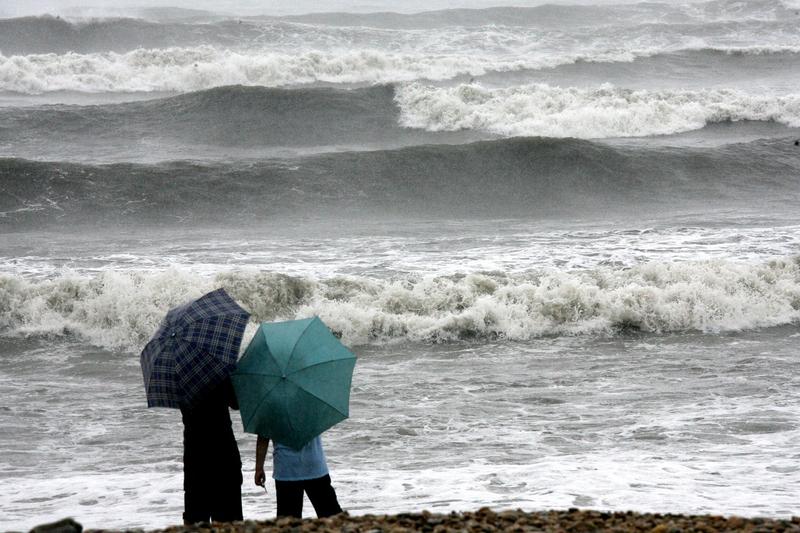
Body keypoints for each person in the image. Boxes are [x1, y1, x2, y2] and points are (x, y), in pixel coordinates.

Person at [180, 378, 243, 524]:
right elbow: (236, 403)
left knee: (196, 519)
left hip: (195, 457)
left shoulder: (180, 377)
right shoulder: (218, 374)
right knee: (229, 519)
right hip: (223, 455)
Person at [254, 434, 343, 518]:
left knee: (289, 522)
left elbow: (263, 436)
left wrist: (259, 468)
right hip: (314, 465)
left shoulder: (271, 417)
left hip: (287, 468)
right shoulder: (312, 416)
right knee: (332, 516)